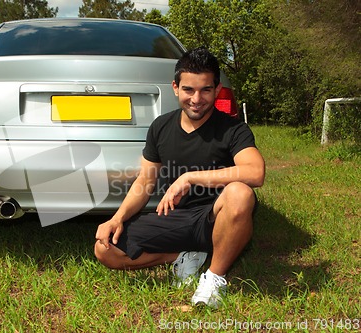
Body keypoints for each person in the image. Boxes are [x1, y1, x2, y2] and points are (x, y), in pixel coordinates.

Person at [94, 47, 265, 308]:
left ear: (217, 90)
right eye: (188, 90)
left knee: (240, 193)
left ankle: (214, 277)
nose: (197, 99)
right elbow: (145, 182)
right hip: (176, 217)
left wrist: (191, 178)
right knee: (104, 249)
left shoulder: (233, 129)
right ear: (175, 87)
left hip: (217, 217)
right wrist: (116, 218)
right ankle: (184, 256)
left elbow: (255, 172)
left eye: (206, 90)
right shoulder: (160, 127)